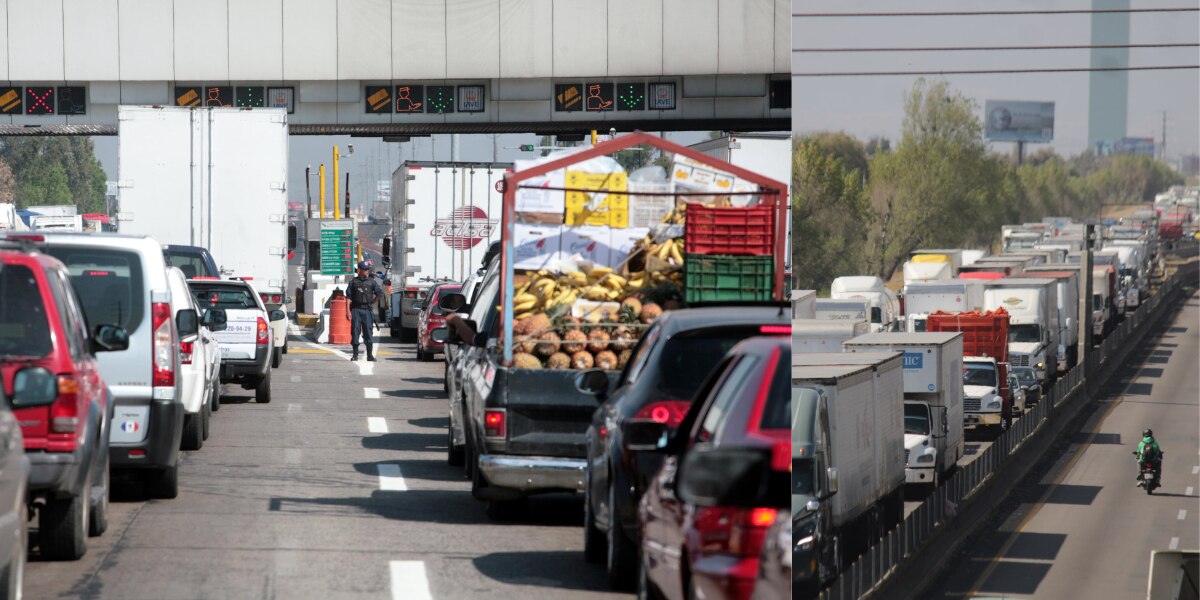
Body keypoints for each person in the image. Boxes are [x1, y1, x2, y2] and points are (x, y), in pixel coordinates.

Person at [345, 261, 384, 361]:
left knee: (368, 332)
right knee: (355, 331)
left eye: (367, 269)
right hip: (356, 310)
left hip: (367, 310)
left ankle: (369, 355)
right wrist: (347, 311)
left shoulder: (372, 282)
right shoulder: (353, 282)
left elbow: (379, 293)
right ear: (359, 270)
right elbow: (348, 297)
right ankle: (355, 355)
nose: (367, 271)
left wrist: (372, 301)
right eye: (365, 269)